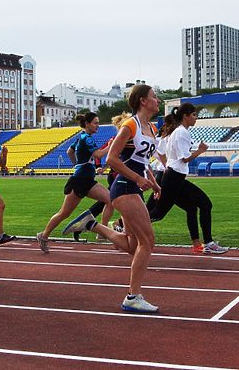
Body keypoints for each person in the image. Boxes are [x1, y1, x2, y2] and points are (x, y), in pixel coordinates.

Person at [62, 84, 162, 313]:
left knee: (133, 245)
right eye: (154, 97)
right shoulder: (130, 126)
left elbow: (143, 162)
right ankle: (133, 296)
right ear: (143, 101)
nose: (158, 100)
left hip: (133, 186)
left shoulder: (152, 128)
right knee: (148, 241)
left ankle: (92, 224)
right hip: (125, 187)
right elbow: (112, 160)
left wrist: (154, 182)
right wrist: (138, 179)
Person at [149, 103, 228, 254]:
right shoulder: (181, 133)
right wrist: (200, 150)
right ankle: (209, 243)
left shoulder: (179, 132)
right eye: (193, 115)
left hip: (174, 177)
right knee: (160, 213)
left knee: (192, 207)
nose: (196, 118)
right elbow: (184, 159)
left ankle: (200, 243)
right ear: (185, 116)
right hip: (173, 177)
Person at [36, 112, 112, 253]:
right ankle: (43, 235)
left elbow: (69, 152)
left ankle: (102, 231)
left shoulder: (80, 138)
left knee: (110, 199)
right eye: (95, 123)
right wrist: (111, 145)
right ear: (87, 124)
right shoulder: (87, 138)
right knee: (64, 213)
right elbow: (98, 155)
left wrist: (77, 165)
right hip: (79, 181)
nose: (98, 126)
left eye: (98, 123)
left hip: (88, 181)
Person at [65, 112, 132, 240]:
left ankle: (96, 227)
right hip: (117, 176)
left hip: (115, 175)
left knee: (107, 202)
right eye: (95, 123)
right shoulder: (121, 137)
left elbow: (114, 158)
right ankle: (108, 228)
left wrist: (103, 168)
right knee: (116, 202)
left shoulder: (127, 137)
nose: (98, 126)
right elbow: (108, 156)